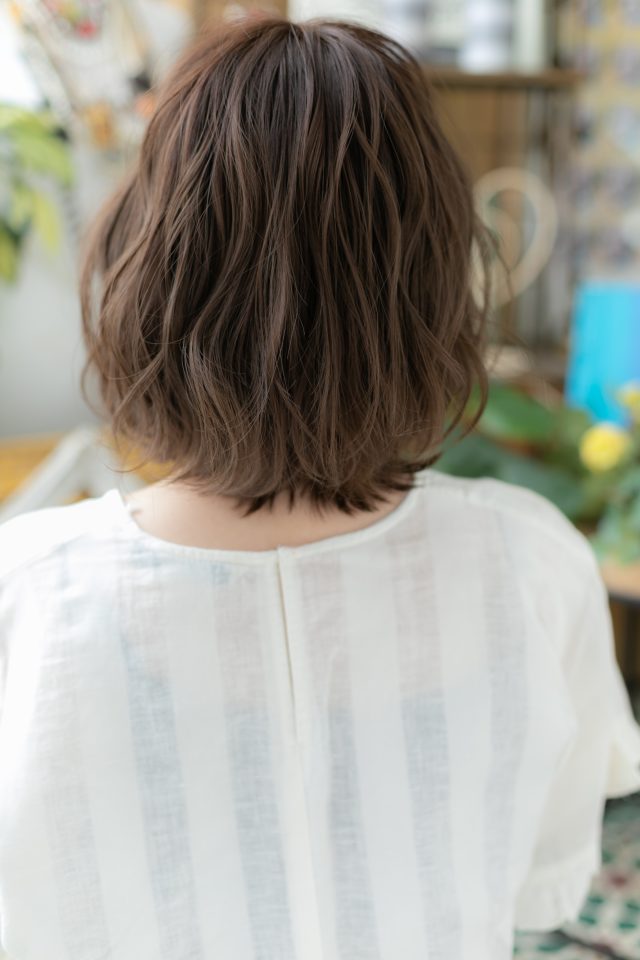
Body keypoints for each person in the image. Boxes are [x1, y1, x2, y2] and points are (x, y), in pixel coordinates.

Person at [1, 16, 639, 960]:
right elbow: (543, 882)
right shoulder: (533, 561)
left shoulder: (26, 593)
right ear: (433, 285)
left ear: (150, 268)